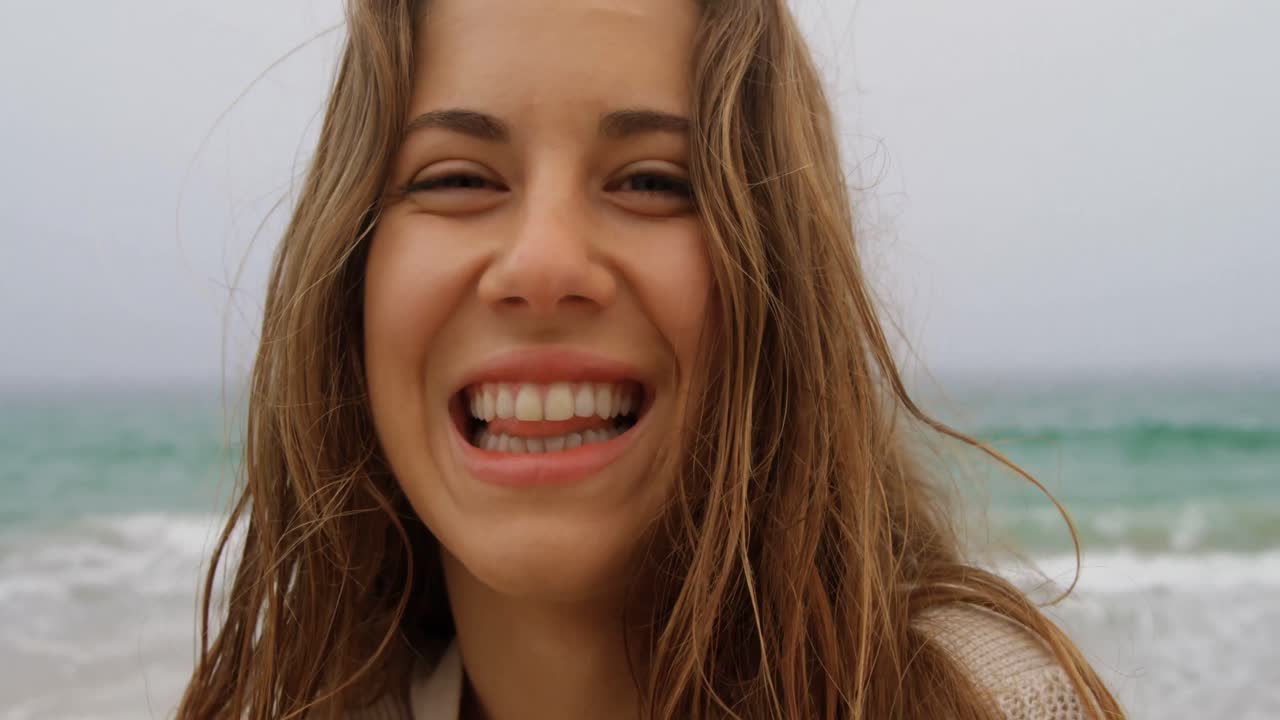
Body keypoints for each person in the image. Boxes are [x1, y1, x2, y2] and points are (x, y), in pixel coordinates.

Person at [178, 0, 1124, 718]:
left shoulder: (979, 698)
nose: (543, 264)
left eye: (653, 181)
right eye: (458, 179)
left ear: (781, 283)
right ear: (347, 274)